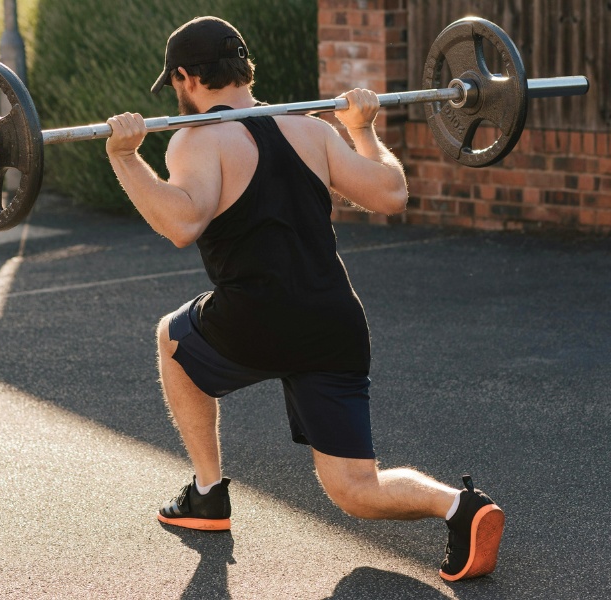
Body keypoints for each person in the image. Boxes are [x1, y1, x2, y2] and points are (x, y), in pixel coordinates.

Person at [105, 16, 504, 582]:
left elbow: (182, 222)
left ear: (187, 78)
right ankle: (458, 506)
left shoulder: (197, 138)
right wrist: (362, 128)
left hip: (254, 321)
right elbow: (391, 194)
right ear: (244, 69)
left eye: (175, 83)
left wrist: (125, 156)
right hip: (334, 322)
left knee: (173, 336)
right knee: (356, 490)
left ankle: (207, 493)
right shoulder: (310, 128)